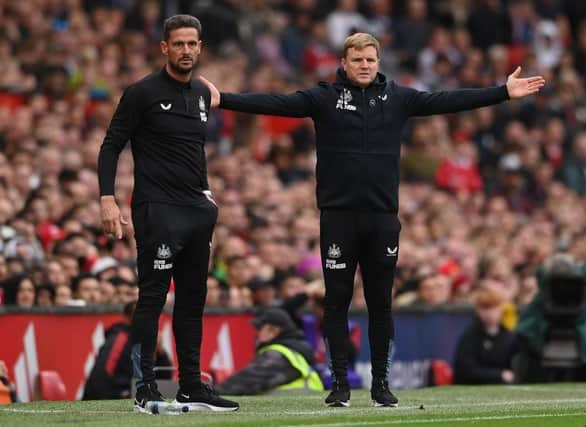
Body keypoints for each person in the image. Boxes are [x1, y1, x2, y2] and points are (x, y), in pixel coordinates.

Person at [200, 32, 544, 407]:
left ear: (378, 62)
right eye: (358, 59)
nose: (364, 65)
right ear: (344, 63)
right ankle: (340, 386)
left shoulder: (398, 97)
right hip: (338, 219)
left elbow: (447, 101)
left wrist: (501, 92)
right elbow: (276, 104)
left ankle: (381, 384)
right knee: (336, 302)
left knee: (381, 303)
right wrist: (224, 99)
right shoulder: (324, 97)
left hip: (382, 219)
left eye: (370, 60)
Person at [97, 14, 238, 412]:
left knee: (193, 301)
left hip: (196, 210)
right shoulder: (141, 93)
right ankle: (144, 389)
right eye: (179, 44)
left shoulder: (200, 95)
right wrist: (107, 198)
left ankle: (191, 385)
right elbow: (111, 146)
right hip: (156, 209)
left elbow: (191, 150)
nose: (187, 51)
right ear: (164, 48)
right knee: (153, 298)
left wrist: (206, 193)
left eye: (193, 44)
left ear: (200, 47)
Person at [217, 307, 323, 395]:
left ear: (273, 331)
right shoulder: (293, 350)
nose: (256, 333)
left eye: (259, 328)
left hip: (298, 404)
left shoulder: (278, 354)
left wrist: (213, 392)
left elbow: (247, 380)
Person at [454, 287, 518, 384]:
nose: (489, 313)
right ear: (478, 310)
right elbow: (466, 369)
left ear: (501, 309)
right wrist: (499, 374)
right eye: (485, 308)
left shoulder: (509, 337)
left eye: (493, 308)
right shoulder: (470, 336)